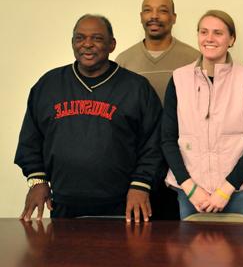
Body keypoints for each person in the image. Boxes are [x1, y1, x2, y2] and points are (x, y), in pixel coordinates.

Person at [15, 14, 163, 223]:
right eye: (80, 38)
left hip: (123, 204)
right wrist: (37, 180)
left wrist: (141, 185)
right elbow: (31, 139)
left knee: (120, 257)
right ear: (72, 43)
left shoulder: (137, 88)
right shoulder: (48, 85)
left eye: (97, 38)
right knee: (63, 256)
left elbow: (154, 144)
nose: (87, 44)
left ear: (112, 45)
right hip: (64, 204)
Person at [161, 10, 243, 219]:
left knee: (239, 252)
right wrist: (190, 188)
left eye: (218, 33)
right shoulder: (178, 79)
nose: (209, 38)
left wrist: (225, 190)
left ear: (231, 39)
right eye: (204, 32)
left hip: (239, 191)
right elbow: (167, 140)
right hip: (191, 192)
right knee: (193, 251)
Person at [116, 0, 199, 220]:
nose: (154, 16)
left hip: (182, 161)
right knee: (138, 232)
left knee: (178, 235)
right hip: (138, 162)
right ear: (140, 16)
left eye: (162, 10)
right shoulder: (124, 61)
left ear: (173, 17)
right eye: (147, 10)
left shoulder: (193, 58)